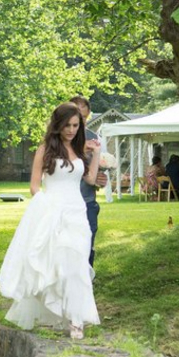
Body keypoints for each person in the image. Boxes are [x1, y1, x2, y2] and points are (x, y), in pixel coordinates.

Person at [0, 102, 101, 339]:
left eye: (76, 125)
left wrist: (95, 154)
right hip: (53, 210)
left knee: (78, 264)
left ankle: (77, 320)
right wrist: (47, 208)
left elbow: (91, 179)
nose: (72, 130)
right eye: (67, 125)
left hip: (77, 213)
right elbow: (35, 186)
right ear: (58, 125)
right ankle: (64, 312)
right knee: (59, 265)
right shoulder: (46, 149)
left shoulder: (78, 150)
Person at [69, 96, 104, 263]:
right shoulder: (59, 140)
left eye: (82, 117)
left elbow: (95, 173)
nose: (78, 121)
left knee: (87, 245)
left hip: (88, 201)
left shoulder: (93, 138)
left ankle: (86, 282)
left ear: (88, 116)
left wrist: (101, 179)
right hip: (66, 203)